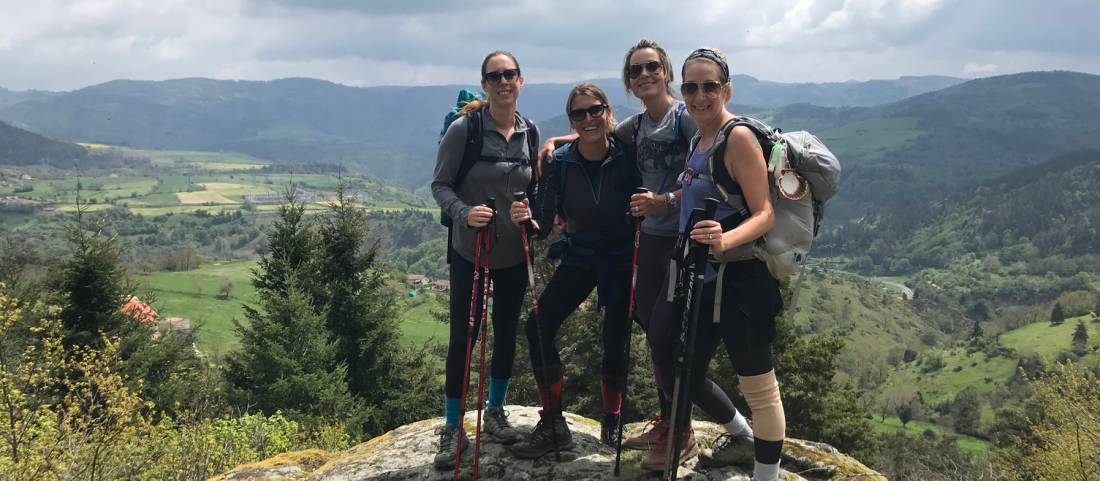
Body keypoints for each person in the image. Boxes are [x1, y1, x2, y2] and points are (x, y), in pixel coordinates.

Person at [538, 39, 755, 466]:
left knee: (669, 337)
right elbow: (594, 132)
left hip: (685, 240)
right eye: (635, 71)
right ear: (628, 82)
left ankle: (684, 429)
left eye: (652, 67)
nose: (644, 75)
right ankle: (670, 420)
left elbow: (708, 176)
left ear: (667, 71)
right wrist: (556, 141)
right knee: (658, 338)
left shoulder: (687, 119)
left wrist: (666, 201)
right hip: (652, 241)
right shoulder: (635, 127)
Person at [648, 47, 787, 480]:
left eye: (710, 86)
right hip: (700, 279)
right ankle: (740, 435)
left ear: (726, 89)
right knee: (681, 372)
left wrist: (724, 239)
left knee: (759, 387)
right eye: (690, 87)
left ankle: (765, 476)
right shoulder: (698, 140)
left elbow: (765, 213)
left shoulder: (737, 138)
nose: (700, 95)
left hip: (741, 279)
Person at [508, 83, 638, 459]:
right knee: (538, 325)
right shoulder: (560, 163)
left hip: (621, 258)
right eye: (578, 114)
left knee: (615, 340)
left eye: (594, 110)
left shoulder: (628, 156)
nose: (588, 119)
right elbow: (545, 223)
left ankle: (611, 420)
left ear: (607, 112)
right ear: (572, 120)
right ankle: (553, 422)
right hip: (580, 256)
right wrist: (528, 221)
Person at [430, 50, 540, 470]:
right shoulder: (465, 130)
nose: (503, 81)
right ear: (485, 83)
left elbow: (536, 188)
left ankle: (494, 412)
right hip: (469, 250)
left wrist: (528, 212)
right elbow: (440, 185)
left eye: (510, 74)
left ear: (521, 80)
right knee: (465, 336)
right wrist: (464, 213)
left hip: (513, 251)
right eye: (495, 76)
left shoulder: (529, 130)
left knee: (507, 331)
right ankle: (453, 426)